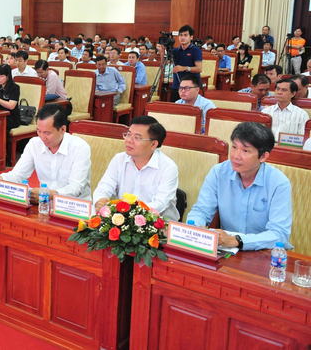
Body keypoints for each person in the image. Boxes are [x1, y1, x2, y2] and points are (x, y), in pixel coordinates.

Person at [186, 122, 291, 250]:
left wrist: (238, 241)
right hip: (227, 251)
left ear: (263, 156)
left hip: (265, 254)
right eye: (234, 147)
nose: (236, 156)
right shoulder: (218, 172)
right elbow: (201, 210)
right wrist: (196, 228)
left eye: (245, 151)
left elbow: (279, 234)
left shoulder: (279, 183)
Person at [0, 103, 92, 203]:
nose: (42, 137)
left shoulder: (80, 148)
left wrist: (49, 195)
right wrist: (1, 179)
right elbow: (18, 174)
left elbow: (75, 188)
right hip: (43, 204)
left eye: (47, 133)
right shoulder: (34, 144)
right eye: (39, 131)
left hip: (75, 207)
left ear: (63, 129)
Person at [93, 116, 179, 221]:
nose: (129, 140)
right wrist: (100, 200)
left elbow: (159, 204)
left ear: (153, 144)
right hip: (121, 220)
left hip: (158, 224)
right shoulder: (119, 159)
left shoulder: (168, 168)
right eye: (128, 135)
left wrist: (125, 212)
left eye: (137, 138)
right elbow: (104, 187)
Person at [158, 25, 203, 102]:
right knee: (174, 109)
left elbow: (199, 69)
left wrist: (184, 68)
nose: (182, 37)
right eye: (181, 35)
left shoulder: (196, 50)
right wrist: (162, 52)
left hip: (190, 86)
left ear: (191, 37)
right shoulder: (175, 51)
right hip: (176, 85)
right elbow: (164, 64)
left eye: (185, 35)